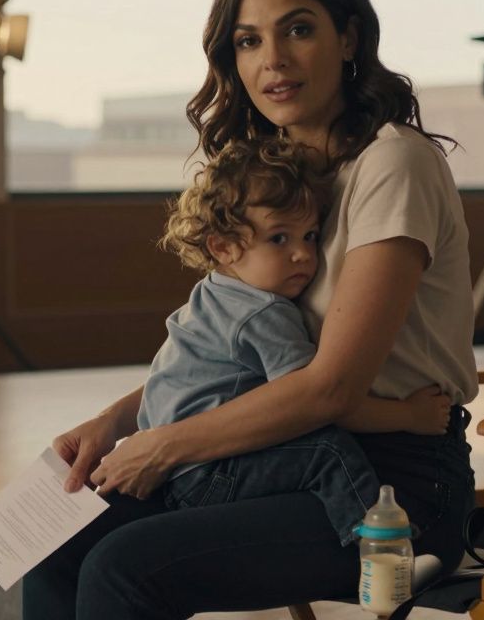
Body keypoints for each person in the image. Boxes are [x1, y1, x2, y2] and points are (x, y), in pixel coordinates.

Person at [24, 0, 478, 620]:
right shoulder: (275, 175)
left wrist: (166, 445)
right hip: (264, 450)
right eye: (247, 40)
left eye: (298, 29)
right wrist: (114, 424)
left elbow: (331, 386)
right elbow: (224, 353)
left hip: (389, 481)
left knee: (127, 568)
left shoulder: (394, 164)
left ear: (349, 37)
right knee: (52, 542)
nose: (273, 60)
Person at [145, 136, 451, 546]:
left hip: (178, 472)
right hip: (213, 471)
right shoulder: (263, 313)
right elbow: (325, 403)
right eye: (279, 239)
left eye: (309, 236)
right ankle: (384, 548)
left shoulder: (211, 294)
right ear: (223, 247)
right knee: (328, 451)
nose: (303, 255)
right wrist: (410, 416)